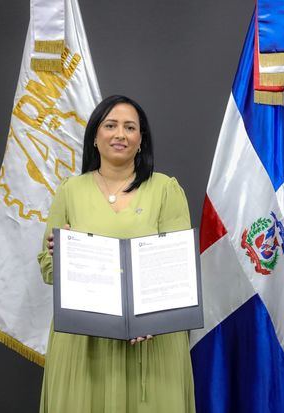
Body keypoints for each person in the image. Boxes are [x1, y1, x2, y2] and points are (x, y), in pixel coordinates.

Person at [37, 95, 195, 412]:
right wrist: (59, 255)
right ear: (95, 137)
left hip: (152, 343)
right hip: (83, 345)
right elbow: (48, 270)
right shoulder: (70, 190)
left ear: (141, 140)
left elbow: (180, 271)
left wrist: (150, 319)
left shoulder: (166, 190)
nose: (119, 134)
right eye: (110, 125)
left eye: (130, 127)